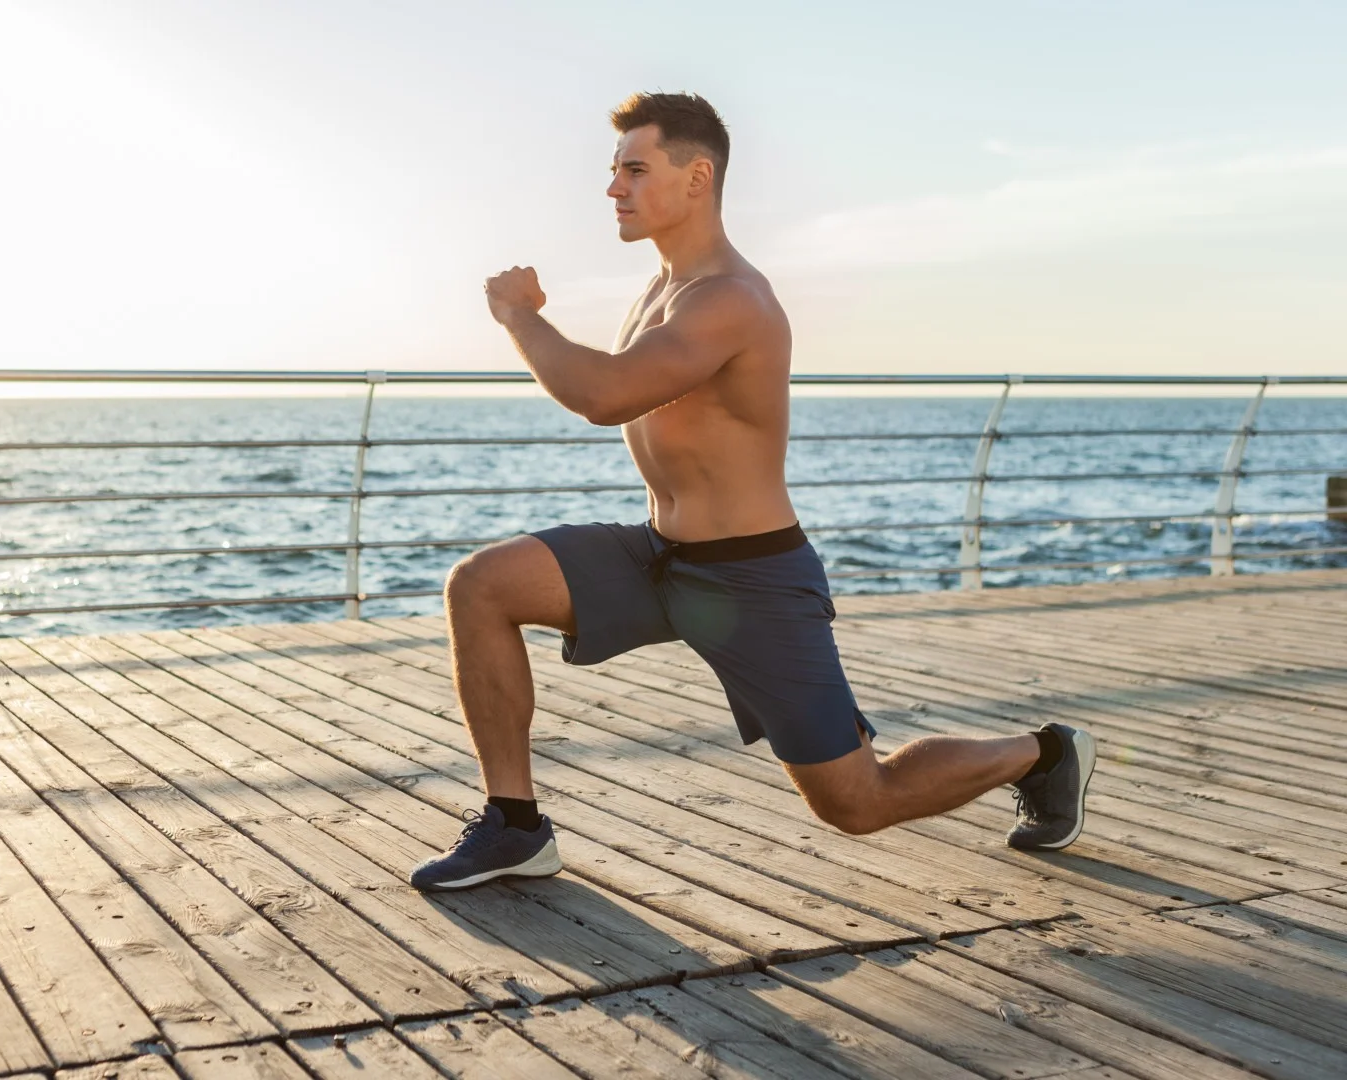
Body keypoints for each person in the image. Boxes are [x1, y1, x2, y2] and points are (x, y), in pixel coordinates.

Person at [409, 92, 1094, 892]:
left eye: (635, 169)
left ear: (697, 176)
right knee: (481, 584)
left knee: (857, 800)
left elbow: (604, 395)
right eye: (613, 171)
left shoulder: (732, 297)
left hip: (753, 575)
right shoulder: (661, 292)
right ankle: (514, 827)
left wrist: (519, 316)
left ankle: (1044, 754)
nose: (614, 189)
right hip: (659, 556)